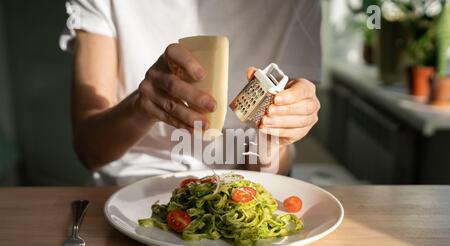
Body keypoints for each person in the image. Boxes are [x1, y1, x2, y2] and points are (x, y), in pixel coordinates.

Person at [60, 0, 322, 186]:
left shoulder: (294, 5)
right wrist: (141, 108)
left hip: (237, 190)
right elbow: (89, 150)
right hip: (125, 193)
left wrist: (273, 137)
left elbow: (267, 166)